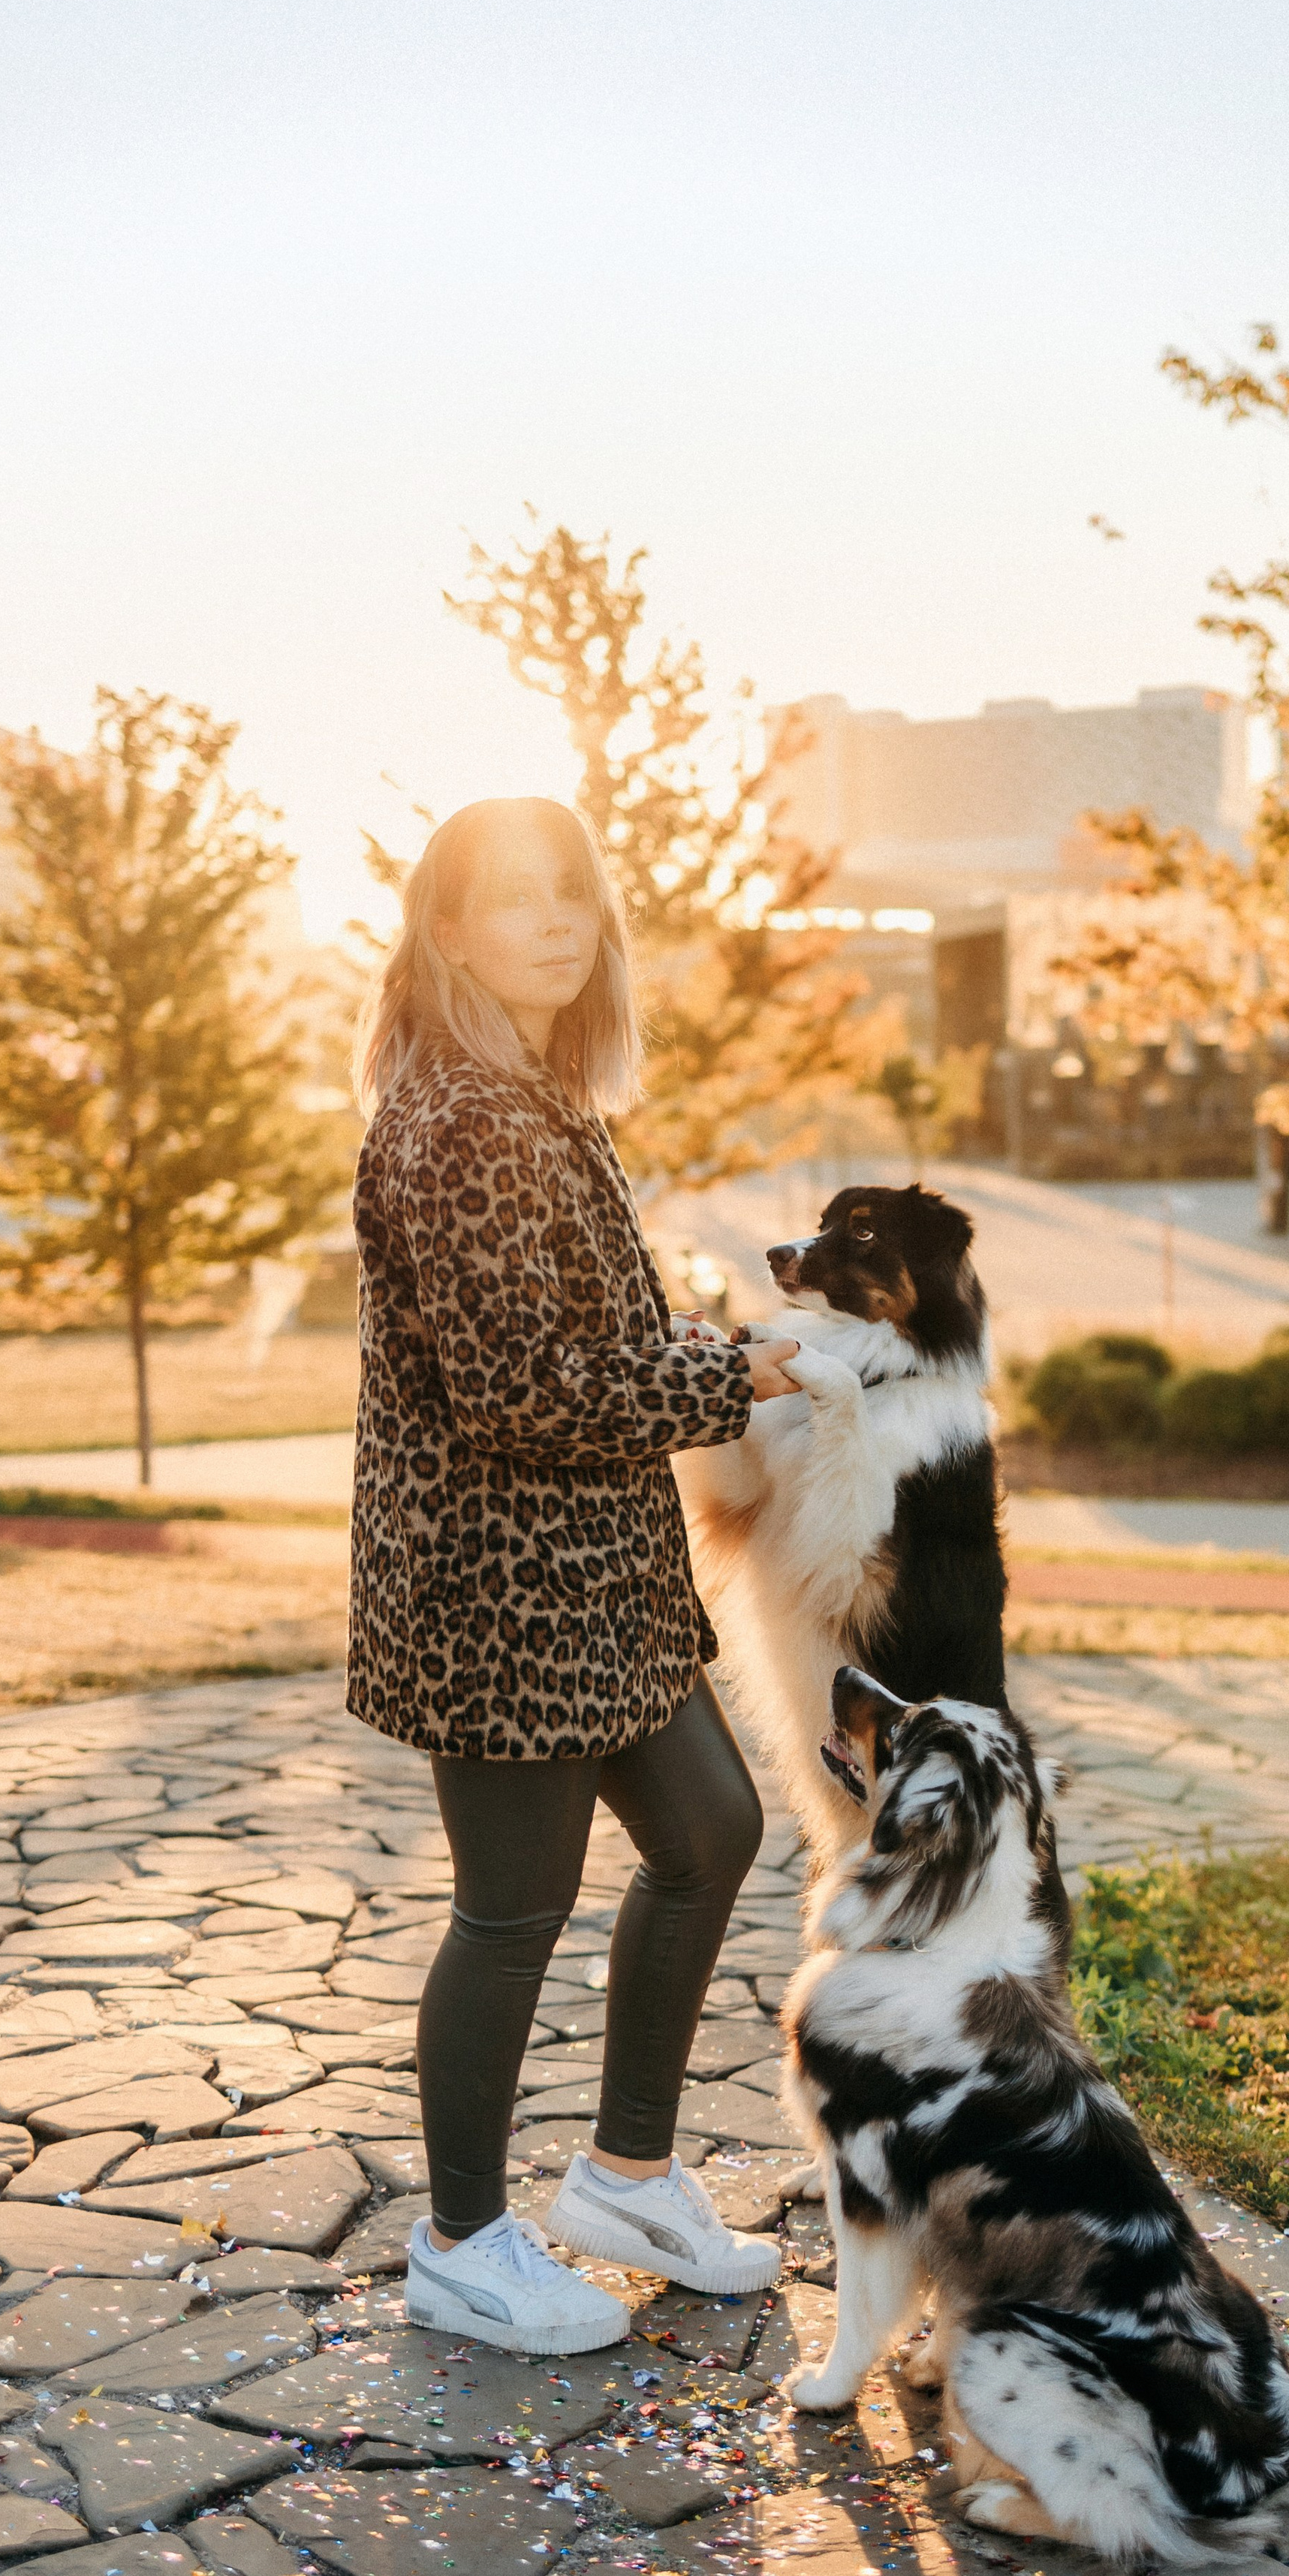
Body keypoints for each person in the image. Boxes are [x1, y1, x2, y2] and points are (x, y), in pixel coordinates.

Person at [348, 796, 802, 2353]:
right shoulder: (456, 1119)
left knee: (709, 1832)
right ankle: (461, 2241)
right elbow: (521, 1390)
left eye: (575, 896)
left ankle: (622, 2175)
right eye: (517, 900)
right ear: (451, 931)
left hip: (597, 1578)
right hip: (494, 1593)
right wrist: (734, 1378)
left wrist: (702, 1348)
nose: (560, 920)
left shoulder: (533, 1095)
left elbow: (584, 1342)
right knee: (512, 1909)